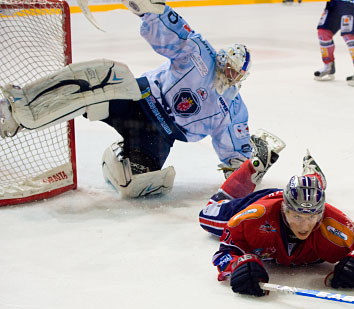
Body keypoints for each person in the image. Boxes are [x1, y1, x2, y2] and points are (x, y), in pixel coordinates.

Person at [0, 0, 253, 198]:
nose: (230, 75)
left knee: (136, 183)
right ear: (221, 58)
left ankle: (119, 156)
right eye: (229, 67)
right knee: (95, 84)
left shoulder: (232, 108)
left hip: (160, 136)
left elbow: (235, 155)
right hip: (139, 99)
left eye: (236, 73)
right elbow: (169, 30)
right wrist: (148, 9)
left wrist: (246, 167)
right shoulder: (200, 52)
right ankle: (18, 110)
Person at [198, 141, 354, 296]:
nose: (305, 225)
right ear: (284, 210)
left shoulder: (335, 226)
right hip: (264, 199)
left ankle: (313, 180)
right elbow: (227, 248)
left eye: (313, 216)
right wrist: (235, 265)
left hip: (300, 200)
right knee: (207, 217)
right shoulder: (255, 217)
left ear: (321, 213)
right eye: (297, 216)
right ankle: (254, 166)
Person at [313, 0, 354, 86]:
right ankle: (328, 66)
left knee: (350, 36)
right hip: (334, 4)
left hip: (351, 5)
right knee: (323, 33)